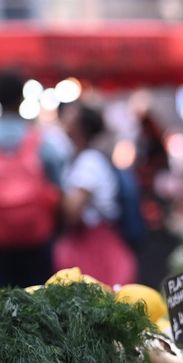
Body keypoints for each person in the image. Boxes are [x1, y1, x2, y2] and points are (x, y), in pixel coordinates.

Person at [54, 102, 137, 287]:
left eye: (69, 117)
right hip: (98, 242)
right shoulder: (87, 158)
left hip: (94, 248)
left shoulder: (88, 162)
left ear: (80, 128)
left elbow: (73, 212)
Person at [0, 71, 66, 288]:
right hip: (38, 238)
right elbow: (58, 187)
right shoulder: (41, 140)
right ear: (21, 98)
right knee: (39, 300)